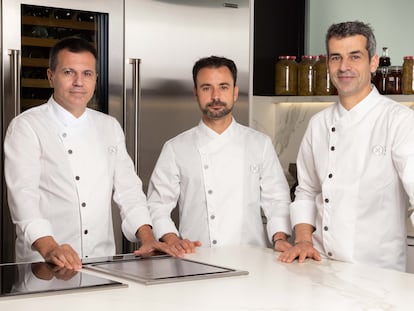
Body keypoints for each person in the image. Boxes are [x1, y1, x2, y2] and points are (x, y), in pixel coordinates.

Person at [4, 37, 181, 270]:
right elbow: (23, 196)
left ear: (95, 79)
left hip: (101, 261)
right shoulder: (27, 126)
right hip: (45, 265)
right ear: (50, 76)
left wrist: (147, 238)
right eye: (69, 72)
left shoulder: (109, 126)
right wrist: (50, 247)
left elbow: (129, 191)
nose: (79, 82)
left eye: (87, 74)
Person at [279, 21, 414, 271]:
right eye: (336, 58)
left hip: (377, 273)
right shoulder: (318, 124)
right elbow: (307, 191)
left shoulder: (400, 121)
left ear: (373, 63)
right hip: (317, 266)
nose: (344, 67)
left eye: (355, 57)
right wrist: (304, 240)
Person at [147, 56, 292, 253]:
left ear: (234, 93)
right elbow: (157, 205)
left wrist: (280, 238)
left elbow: (277, 200)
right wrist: (172, 239)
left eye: (223, 87)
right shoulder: (175, 148)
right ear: (196, 93)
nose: (215, 96)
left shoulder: (259, 144)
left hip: (251, 259)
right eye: (206, 88)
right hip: (195, 259)